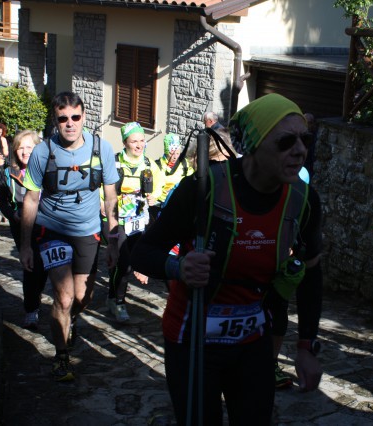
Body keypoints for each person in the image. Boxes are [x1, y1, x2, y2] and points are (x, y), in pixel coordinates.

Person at [130, 93, 324, 425]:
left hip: (252, 340)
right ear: (254, 145)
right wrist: (178, 267)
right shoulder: (205, 188)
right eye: (286, 141)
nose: (300, 150)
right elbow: (141, 251)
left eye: (304, 139)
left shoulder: (303, 199)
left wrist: (305, 345)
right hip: (192, 340)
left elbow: (311, 273)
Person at [19, 91, 120, 382]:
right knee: (62, 297)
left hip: (88, 231)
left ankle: (71, 318)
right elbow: (31, 199)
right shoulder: (42, 152)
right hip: (51, 230)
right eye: (63, 119)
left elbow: (110, 198)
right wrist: (26, 245)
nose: (70, 124)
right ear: (55, 120)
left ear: (84, 117)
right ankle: (61, 356)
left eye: (75, 117)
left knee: (82, 297)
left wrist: (114, 240)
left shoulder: (102, 150)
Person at [106, 122, 162, 322]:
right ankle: (118, 302)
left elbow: (158, 186)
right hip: (118, 219)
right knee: (124, 264)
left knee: (128, 262)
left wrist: (154, 196)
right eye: (134, 141)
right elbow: (103, 192)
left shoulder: (149, 164)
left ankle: (113, 296)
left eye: (141, 140)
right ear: (125, 143)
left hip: (139, 220)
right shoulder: (114, 163)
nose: (139, 145)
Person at [0, 130, 49, 330]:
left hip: (46, 225)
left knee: (42, 267)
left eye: (30, 147)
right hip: (22, 227)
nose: (25, 152)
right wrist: (13, 214)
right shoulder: (8, 173)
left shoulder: (47, 170)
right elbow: (1, 201)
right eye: (21, 148)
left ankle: (35, 298)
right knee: (30, 266)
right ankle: (31, 310)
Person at [149, 132, 195, 221]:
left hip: (179, 203)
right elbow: (152, 187)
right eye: (171, 153)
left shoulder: (184, 163)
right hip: (161, 205)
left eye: (177, 153)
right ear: (166, 151)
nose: (174, 157)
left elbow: (191, 181)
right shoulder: (157, 165)